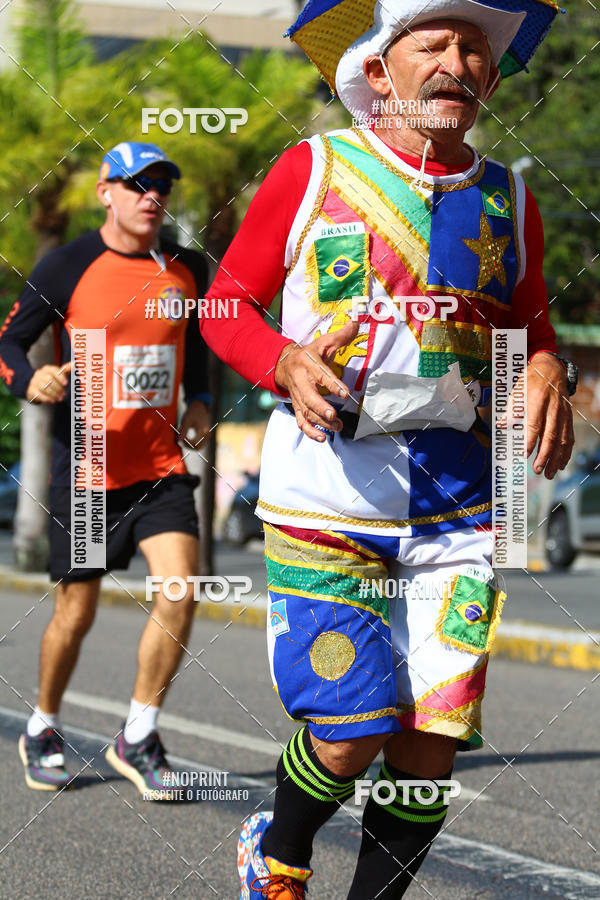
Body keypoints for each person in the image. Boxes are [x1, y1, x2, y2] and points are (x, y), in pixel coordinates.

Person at [200, 0, 576, 896]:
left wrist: (549, 365)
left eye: (475, 48)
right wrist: (283, 359)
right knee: (352, 729)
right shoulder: (315, 166)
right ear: (381, 70)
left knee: (429, 744)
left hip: (461, 505)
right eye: (434, 43)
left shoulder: (508, 193)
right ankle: (278, 849)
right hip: (328, 496)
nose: (458, 61)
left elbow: (528, 322)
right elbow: (221, 306)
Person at [0, 142, 211, 795]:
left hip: (160, 466)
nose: (152, 197)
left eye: (162, 187)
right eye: (138, 184)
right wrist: (30, 380)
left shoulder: (187, 268)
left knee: (180, 590)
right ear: (106, 192)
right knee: (76, 612)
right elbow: (6, 343)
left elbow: (199, 345)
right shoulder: (66, 266)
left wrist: (201, 401)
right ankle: (42, 726)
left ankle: (139, 736)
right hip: (89, 468)